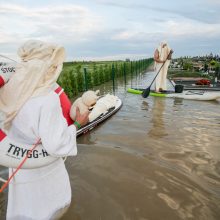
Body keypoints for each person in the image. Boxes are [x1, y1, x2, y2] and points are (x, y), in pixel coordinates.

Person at [0, 40, 89, 219]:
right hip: (44, 169)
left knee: (24, 206)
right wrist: (79, 123)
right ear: (48, 68)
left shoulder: (8, 92)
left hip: (18, 164)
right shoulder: (47, 99)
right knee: (49, 209)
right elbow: (57, 145)